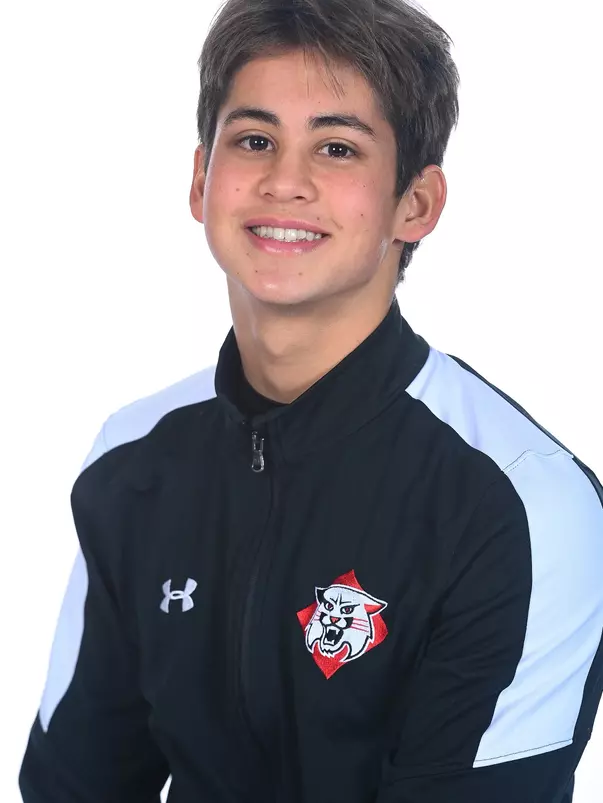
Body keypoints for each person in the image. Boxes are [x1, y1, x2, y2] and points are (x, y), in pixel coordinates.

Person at [19, 0, 603, 801]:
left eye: (336, 148)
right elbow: (74, 784)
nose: (284, 181)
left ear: (416, 204)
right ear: (200, 181)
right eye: (254, 140)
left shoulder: (523, 502)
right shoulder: (133, 463)